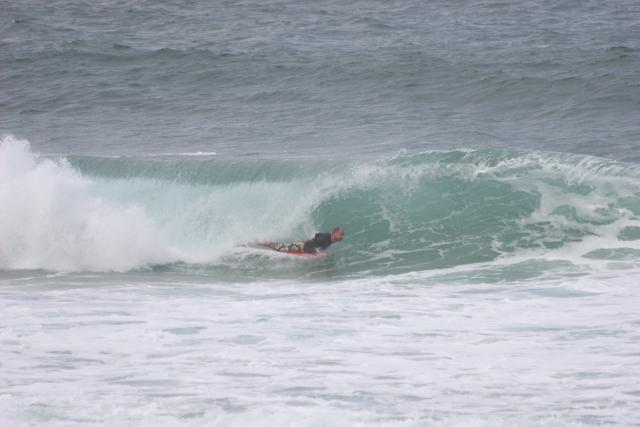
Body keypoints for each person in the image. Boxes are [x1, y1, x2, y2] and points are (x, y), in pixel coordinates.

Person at [263, 227, 344, 254]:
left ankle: (269, 243)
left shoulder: (329, 238)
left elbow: (317, 235)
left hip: (302, 245)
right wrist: (319, 253)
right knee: (280, 248)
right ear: (334, 233)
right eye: (341, 234)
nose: (342, 237)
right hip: (301, 246)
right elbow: (311, 244)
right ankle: (267, 243)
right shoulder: (326, 238)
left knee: (284, 247)